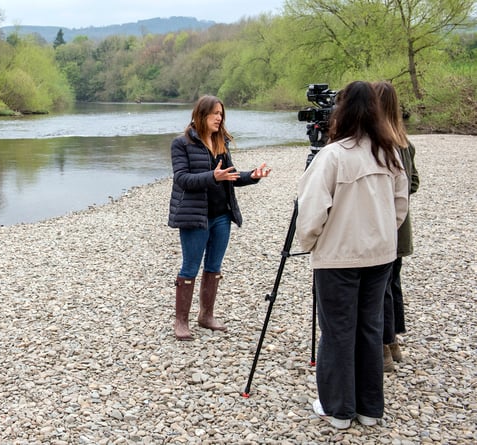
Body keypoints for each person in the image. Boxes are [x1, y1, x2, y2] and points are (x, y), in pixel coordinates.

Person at [295, 81, 409, 429]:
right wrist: (383, 233)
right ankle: (370, 408)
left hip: (339, 257)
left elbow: (312, 210)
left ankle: (338, 409)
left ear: (340, 113)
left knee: (337, 331)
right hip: (379, 256)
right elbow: (400, 205)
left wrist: (310, 243)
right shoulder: (388, 152)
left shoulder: (333, 155)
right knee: (370, 328)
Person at [167, 95, 271, 341]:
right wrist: (213, 177)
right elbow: (182, 179)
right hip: (195, 217)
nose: (219, 118)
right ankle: (181, 321)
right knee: (190, 268)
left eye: (221, 114)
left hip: (222, 216)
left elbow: (230, 176)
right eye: (215, 113)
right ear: (201, 115)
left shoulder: (220, 141)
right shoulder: (181, 144)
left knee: (213, 267)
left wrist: (253, 175)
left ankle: (206, 316)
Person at [372, 81, 420, 372]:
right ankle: (393, 344)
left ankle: (384, 345)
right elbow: (413, 183)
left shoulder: (381, 144)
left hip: (383, 227)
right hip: (401, 229)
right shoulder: (404, 141)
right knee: (392, 284)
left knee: (381, 288)